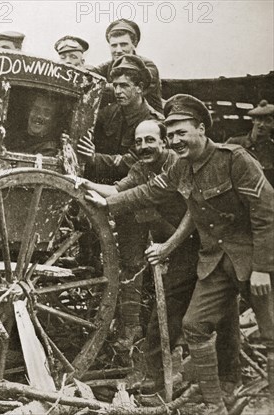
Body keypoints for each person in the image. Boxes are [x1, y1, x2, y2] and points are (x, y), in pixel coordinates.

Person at [87, 94, 274, 414]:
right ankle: (216, 404)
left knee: (271, 331)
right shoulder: (181, 168)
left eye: (181, 133)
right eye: (171, 134)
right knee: (194, 325)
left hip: (252, 257)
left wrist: (261, 267)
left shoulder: (235, 158)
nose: (175, 140)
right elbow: (148, 191)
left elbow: (266, 213)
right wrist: (105, 202)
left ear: (201, 129)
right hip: (212, 260)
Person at [80, 119, 240, 401]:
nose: (144, 146)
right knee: (165, 312)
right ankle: (159, 381)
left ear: (163, 142)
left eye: (150, 140)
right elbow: (123, 190)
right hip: (177, 247)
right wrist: (84, 184)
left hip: (202, 243)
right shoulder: (142, 167)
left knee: (222, 312)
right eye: (139, 141)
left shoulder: (177, 164)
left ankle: (225, 380)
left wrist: (168, 245)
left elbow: (193, 214)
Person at [77, 54, 163, 350]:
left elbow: (131, 163)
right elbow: (89, 135)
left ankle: (133, 328)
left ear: (141, 88)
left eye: (125, 85)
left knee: (132, 262)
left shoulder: (152, 123)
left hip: (143, 203)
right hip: (112, 190)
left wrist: (94, 159)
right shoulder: (110, 113)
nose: (118, 90)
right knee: (101, 258)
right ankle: (108, 317)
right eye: (114, 84)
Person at [90, 19, 162, 112]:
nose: (118, 50)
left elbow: (130, 89)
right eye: (114, 45)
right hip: (121, 118)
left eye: (123, 44)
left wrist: (100, 87)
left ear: (134, 44)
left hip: (148, 120)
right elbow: (91, 73)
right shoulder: (107, 66)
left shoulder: (148, 66)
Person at [227, 99, 274, 185]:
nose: (262, 124)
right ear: (253, 120)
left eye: (268, 121)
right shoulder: (234, 143)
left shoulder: (272, 150)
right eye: (259, 119)